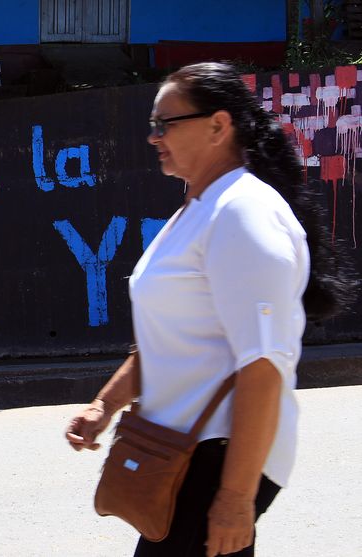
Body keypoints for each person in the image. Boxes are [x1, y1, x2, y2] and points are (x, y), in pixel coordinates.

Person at [65, 62, 355, 557]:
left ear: (219, 126)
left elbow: (263, 364)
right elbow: (173, 338)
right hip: (180, 448)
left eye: (166, 124)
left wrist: (236, 498)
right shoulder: (199, 208)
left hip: (217, 453)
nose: (154, 137)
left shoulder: (243, 213)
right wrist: (105, 405)